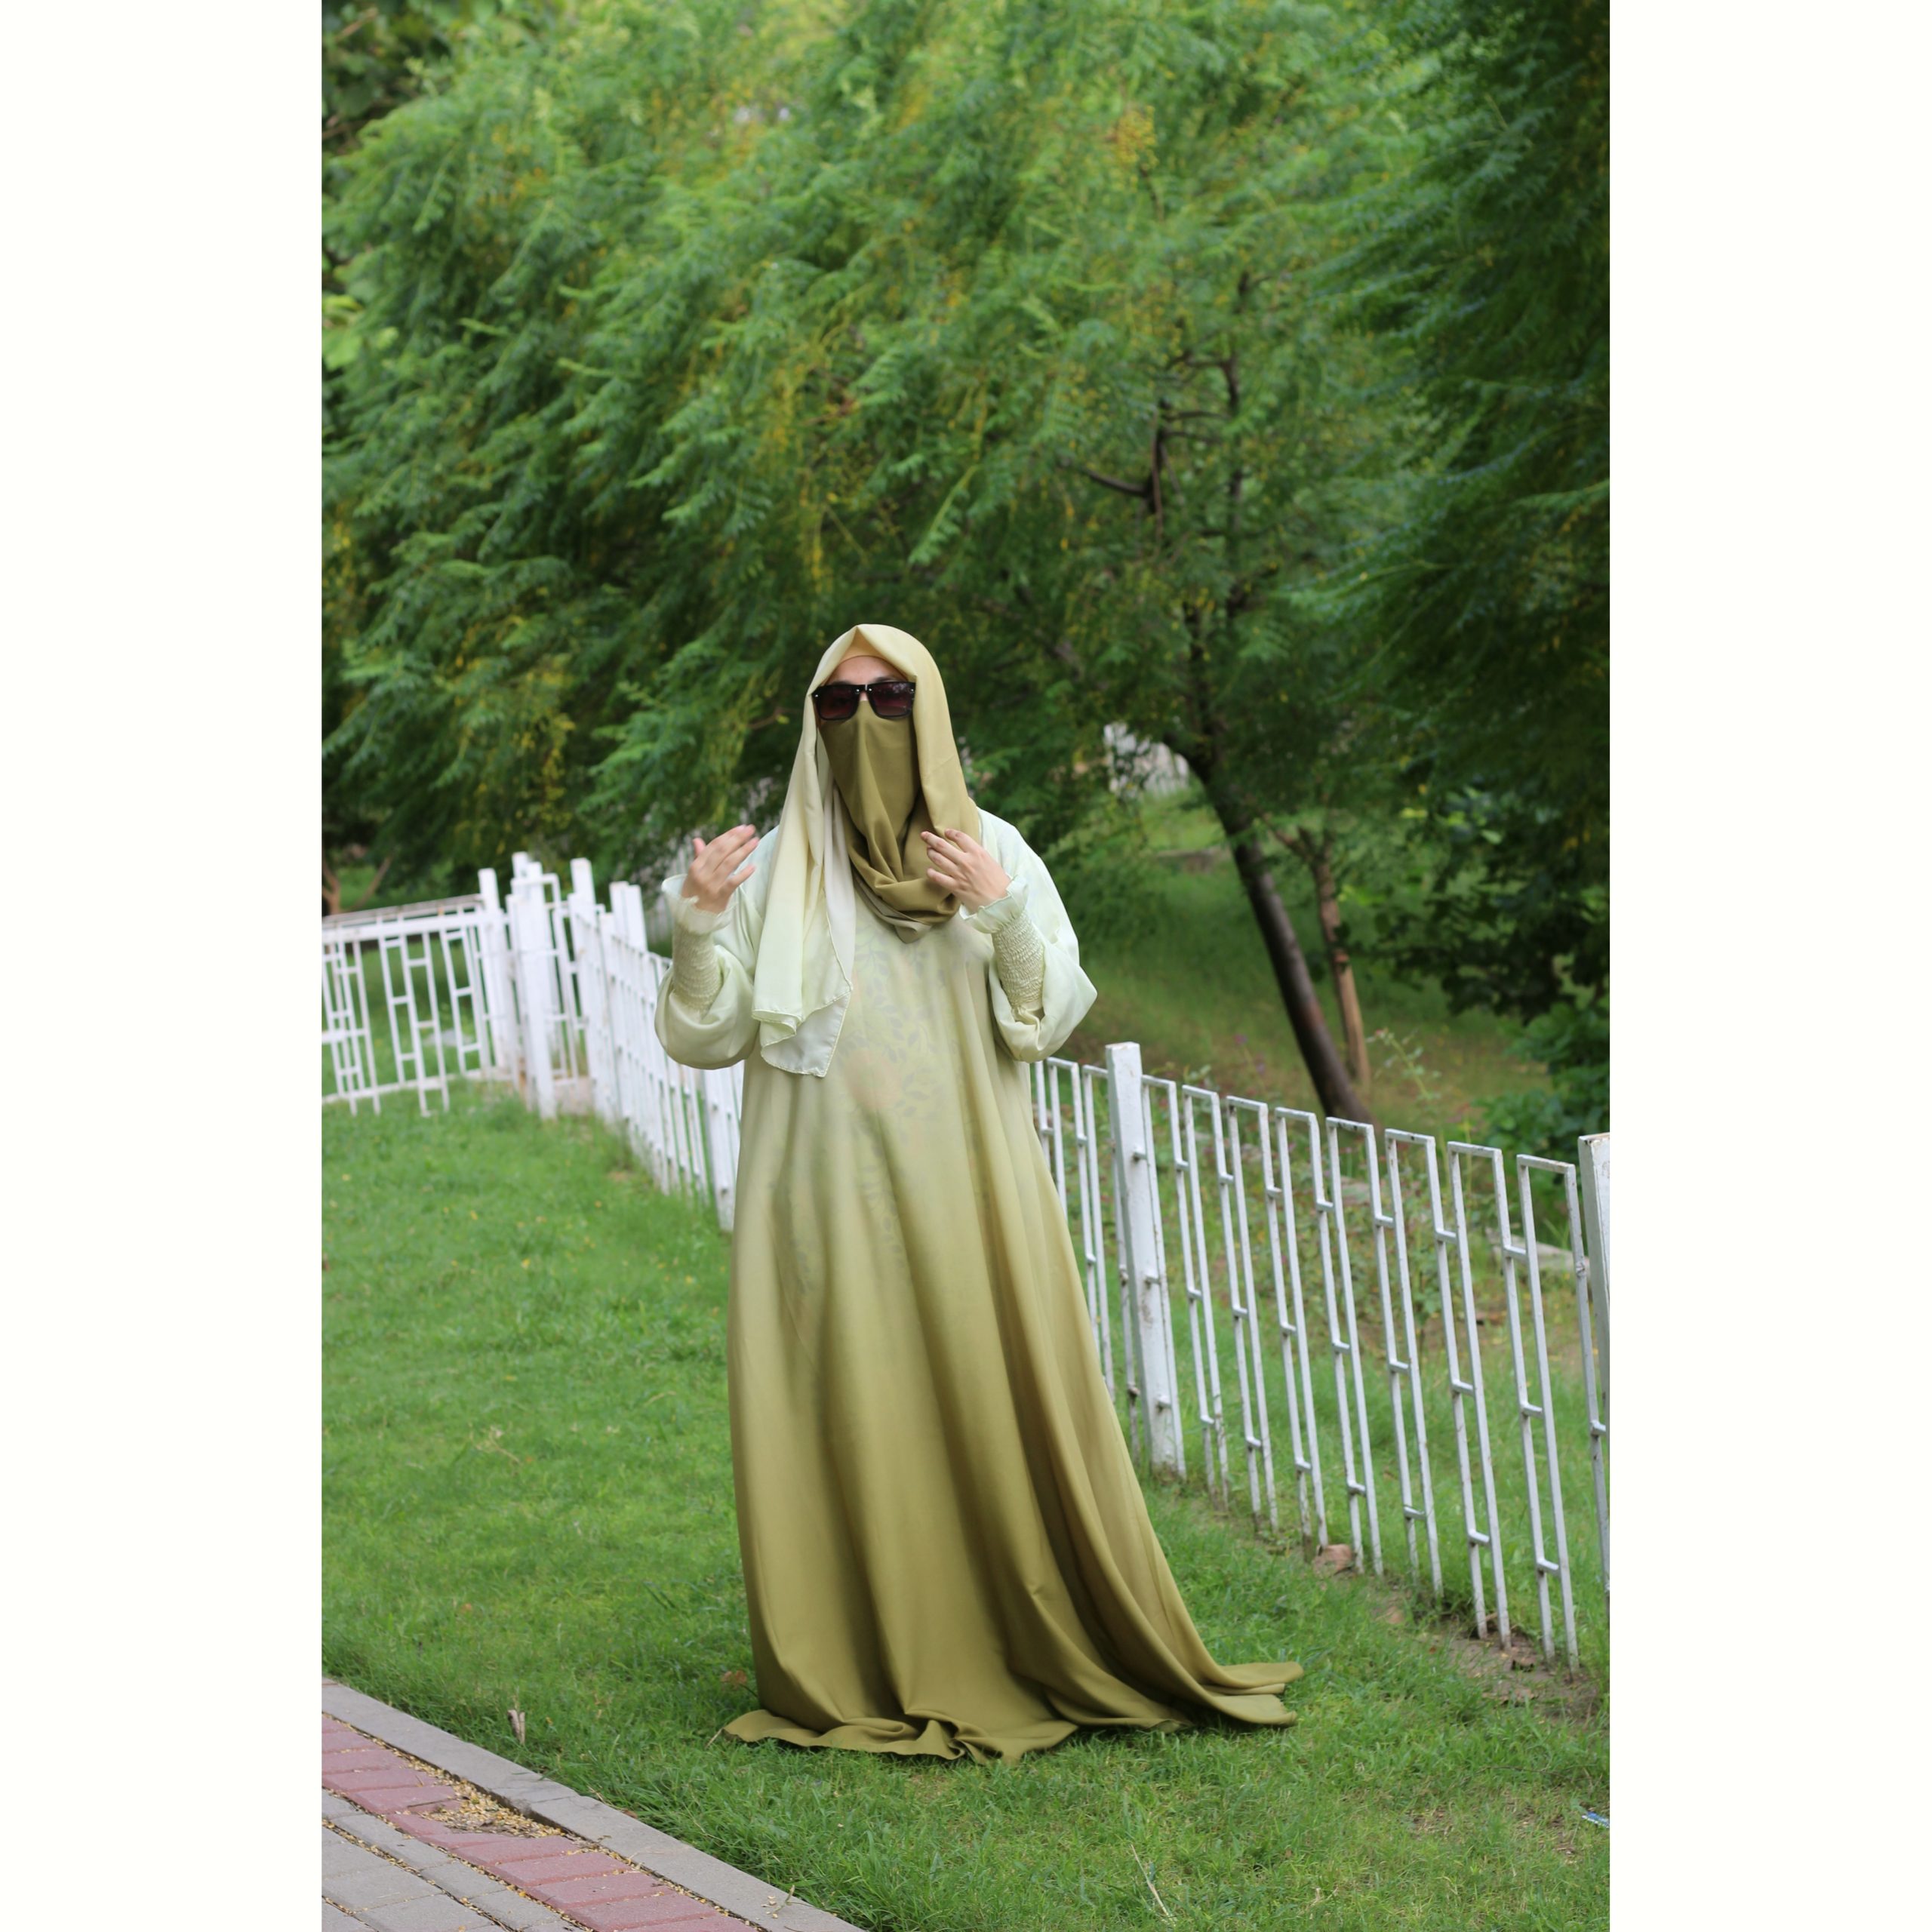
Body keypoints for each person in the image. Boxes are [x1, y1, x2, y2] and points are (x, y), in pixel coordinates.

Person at [654, 623, 1301, 1764]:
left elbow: (1044, 1018)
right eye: (838, 705)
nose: (863, 725)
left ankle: (1020, 1630)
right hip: (821, 1196)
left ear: (933, 713)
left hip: (971, 1192)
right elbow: (705, 1035)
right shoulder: (776, 866)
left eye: (890, 701)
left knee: (985, 1395)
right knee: (851, 1409)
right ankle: (869, 1654)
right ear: (812, 723)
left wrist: (999, 910)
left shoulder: (989, 847)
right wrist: (697, 925)